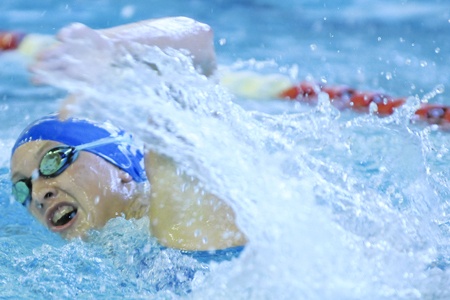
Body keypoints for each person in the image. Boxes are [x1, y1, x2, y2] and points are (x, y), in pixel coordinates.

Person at [9, 17, 247, 255]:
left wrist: (111, 46)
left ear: (121, 170)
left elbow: (198, 45)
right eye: (23, 188)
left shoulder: (177, 213)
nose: (38, 194)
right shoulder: (114, 256)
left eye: (53, 161)